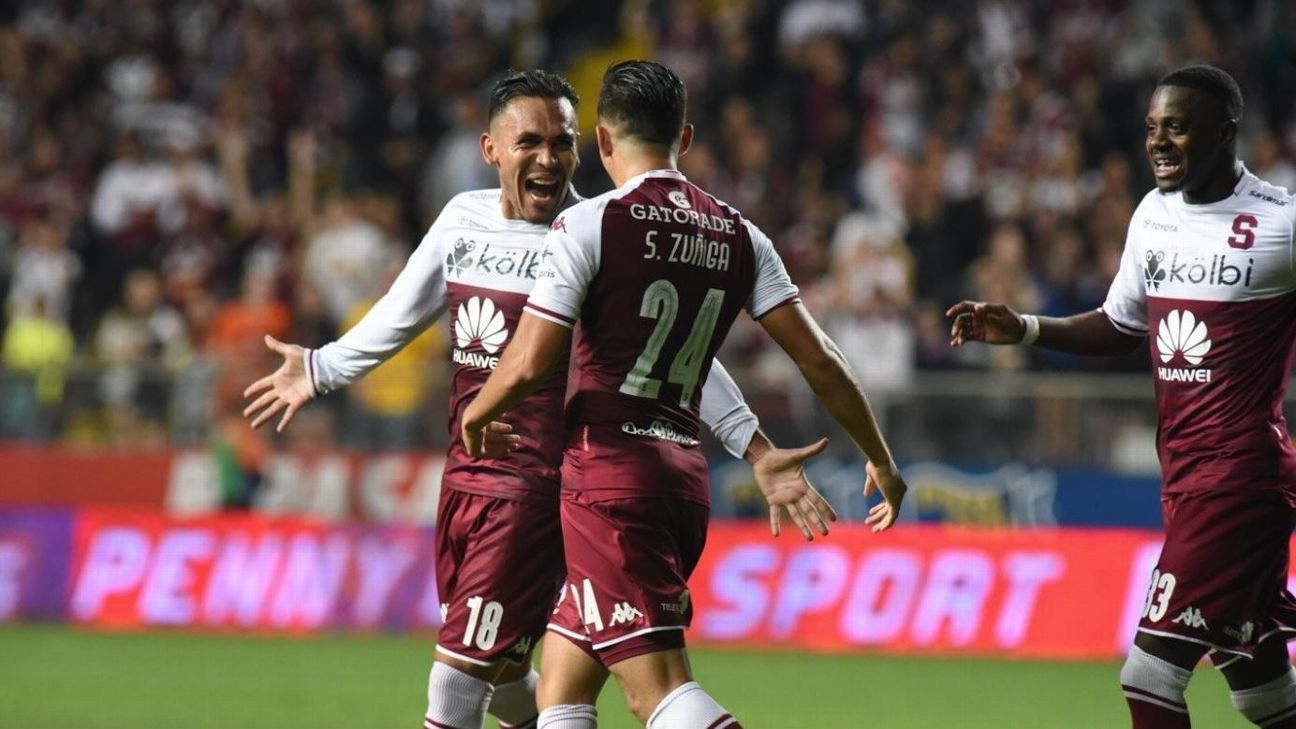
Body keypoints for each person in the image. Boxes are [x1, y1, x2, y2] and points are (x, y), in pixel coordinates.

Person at [242, 69, 836, 729]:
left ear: (587, 146)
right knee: (514, 682)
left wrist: (752, 444)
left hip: (540, 485)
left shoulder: (593, 231)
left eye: (562, 143)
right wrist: (320, 367)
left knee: (455, 682)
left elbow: (669, 360)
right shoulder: (462, 219)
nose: (549, 159)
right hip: (467, 477)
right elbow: (398, 313)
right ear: (491, 149)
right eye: (530, 142)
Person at [460, 60, 907, 729]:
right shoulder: (741, 235)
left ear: (601, 141)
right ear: (685, 137)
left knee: (659, 692)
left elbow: (527, 363)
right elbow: (821, 359)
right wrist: (879, 457)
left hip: (608, 481)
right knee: (561, 690)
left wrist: (476, 412)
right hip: (681, 481)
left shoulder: (589, 226)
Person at [948, 65, 1296, 729]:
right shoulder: (1154, 215)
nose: (1159, 141)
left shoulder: (1281, 222)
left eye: (1177, 127)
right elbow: (1118, 325)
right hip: (1185, 477)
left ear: (1225, 133)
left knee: (1149, 674)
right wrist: (1025, 328)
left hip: (1240, 480)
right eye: (1153, 127)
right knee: (1262, 689)